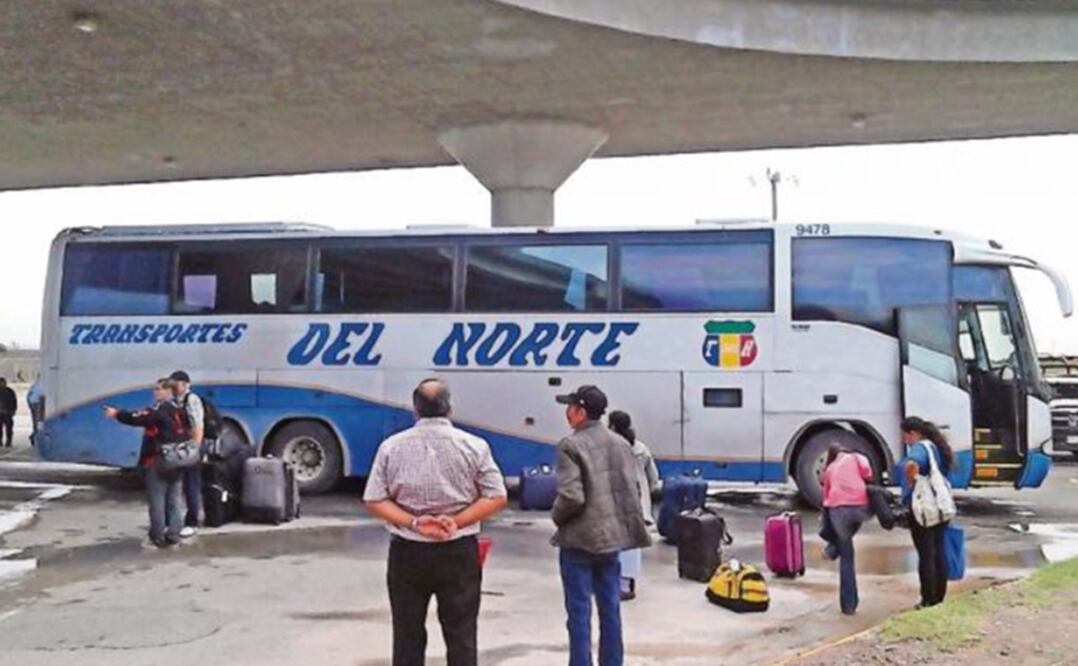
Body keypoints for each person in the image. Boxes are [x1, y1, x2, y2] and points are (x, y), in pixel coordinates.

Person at [363, 378, 508, 666]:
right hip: (458, 551)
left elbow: (374, 499)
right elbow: (497, 496)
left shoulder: (391, 447)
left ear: (415, 410)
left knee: (407, 633)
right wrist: (455, 521)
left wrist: (415, 523)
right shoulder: (474, 446)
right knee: (462, 633)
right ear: (449, 408)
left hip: (408, 552)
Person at [552, 386, 651, 666]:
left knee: (579, 612)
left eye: (569, 407)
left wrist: (557, 516)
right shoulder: (621, 443)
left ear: (580, 412)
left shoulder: (570, 445)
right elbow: (631, 490)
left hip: (579, 540)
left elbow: (571, 496)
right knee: (610, 608)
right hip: (611, 540)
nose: (566, 412)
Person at [104, 378, 188, 548]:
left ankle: (157, 535)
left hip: (157, 460)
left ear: (168, 391)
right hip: (178, 460)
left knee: (157, 500)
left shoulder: (158, 410)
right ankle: (174, 533)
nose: (155, 392)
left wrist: (116, 414)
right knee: (174, 500)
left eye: (158, 389)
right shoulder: (180, 410)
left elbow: (136, 417)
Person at [900, 416, 955, 609]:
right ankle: (939, 596)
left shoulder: (919, 448)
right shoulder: (935, 447)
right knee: (939, 551)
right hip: (940, 506)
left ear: (913, 434)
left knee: (926, 554)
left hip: (923, 509)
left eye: (905, 436)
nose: (904, 440)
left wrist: (912, 481)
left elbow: (912, 465)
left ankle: (928, 598)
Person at [607, 410, 659, 602]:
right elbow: (653, 477)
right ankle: (626, 584)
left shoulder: (610, 448)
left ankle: (613, 583)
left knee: (615, 544)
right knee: (632, 546)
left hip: (617, 502)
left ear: (612, 426)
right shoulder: (641, 448)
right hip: (638, 503)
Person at [819, 443, 873, 615]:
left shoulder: (830, 469)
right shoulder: (858, 457)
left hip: (837, 511)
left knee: (847, 556)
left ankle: (849, 605)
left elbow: (825, 499)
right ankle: (833, 548)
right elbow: (868, 474)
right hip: (860, 508)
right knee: (848, 534)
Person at [170, 370, 204, 537]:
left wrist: (194, 449)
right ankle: (174, 520)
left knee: (191, 484)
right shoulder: (175, 401)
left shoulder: (192, 400)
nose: (173, 388)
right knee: (178, 484)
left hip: (191, 448)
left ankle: (193, 521)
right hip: (180, 447)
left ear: (185, 384)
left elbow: (198, 426)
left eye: (175, 385)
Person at [0, 378, 17, 447]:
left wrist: (13, 410)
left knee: (9, 428)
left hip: (8, 412)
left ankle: (9, 441)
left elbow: (14, 401)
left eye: (3, 382)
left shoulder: (10, 391)